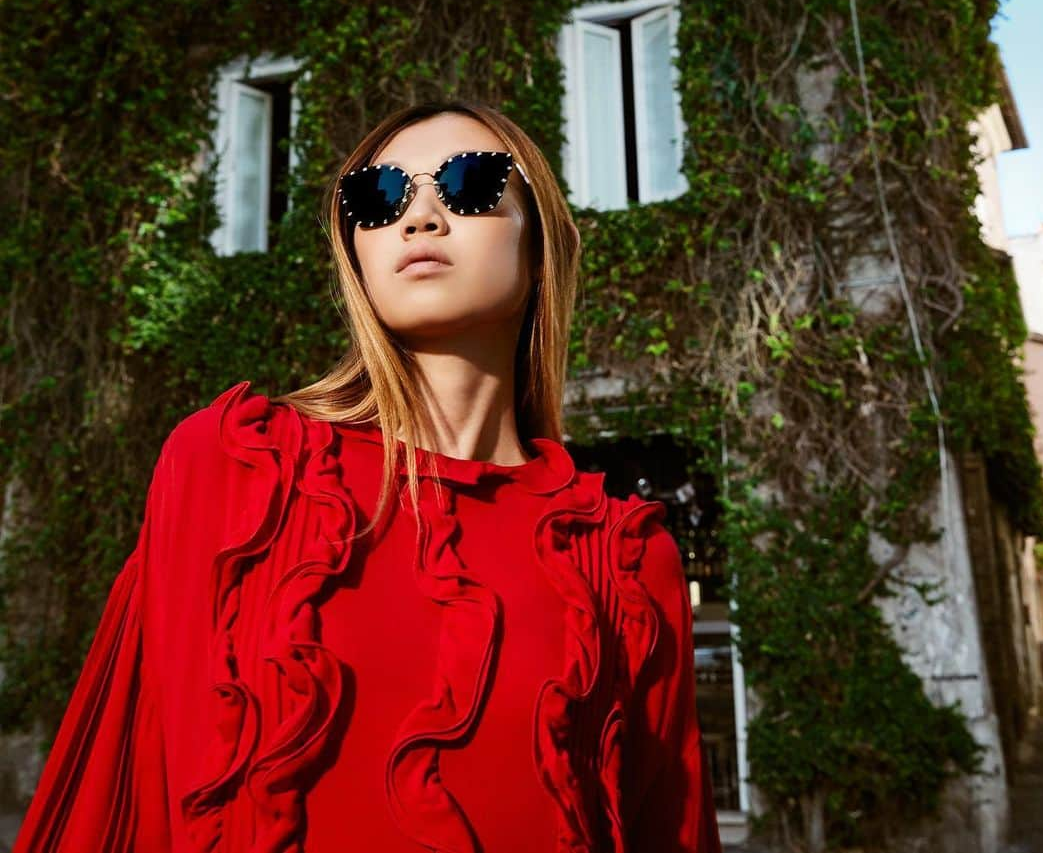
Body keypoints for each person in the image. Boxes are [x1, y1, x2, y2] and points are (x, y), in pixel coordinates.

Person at [12, 99, 723, 852]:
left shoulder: (626, 561)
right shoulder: (238, 468)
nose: (418, 216)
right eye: (378, 196)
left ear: (541, 243)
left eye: (469, 182)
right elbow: (124, 787)